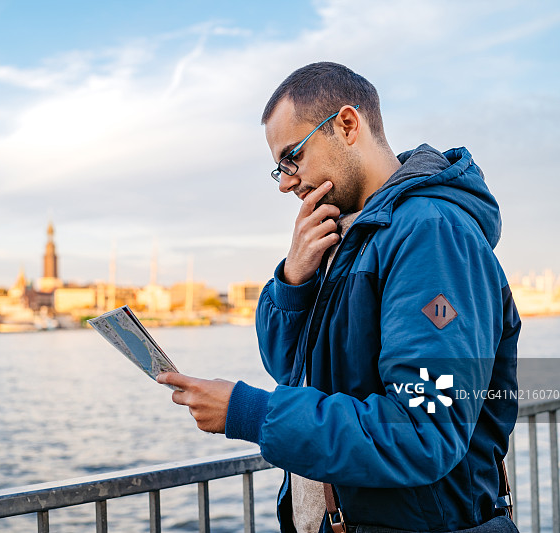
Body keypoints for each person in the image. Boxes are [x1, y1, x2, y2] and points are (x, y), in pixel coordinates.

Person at [157, 62, 520, 532]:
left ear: (347, 125)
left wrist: (248, 411)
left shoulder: (430, 234)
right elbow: (291, 370)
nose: (287, 181)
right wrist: (293, 278)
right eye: (279, 170)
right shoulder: (348, 235)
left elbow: (423, 431)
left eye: (293, 157)